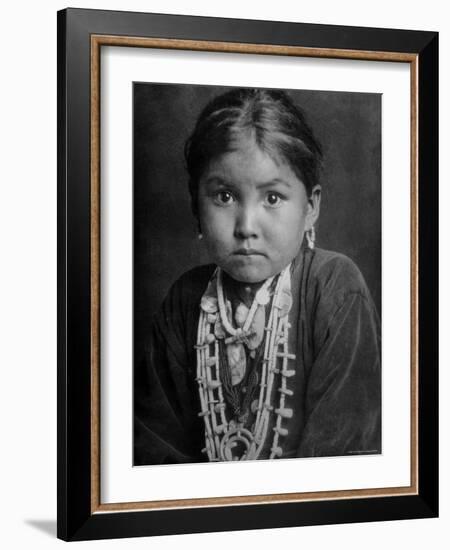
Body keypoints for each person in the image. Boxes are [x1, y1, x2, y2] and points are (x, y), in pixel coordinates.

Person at [134, 88, 381, 465]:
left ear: (310, 207)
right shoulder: (186, 300)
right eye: (225, 196)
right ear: (195, 207)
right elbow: (153, 450)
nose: (246, 227)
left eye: (272, 198)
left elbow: (342, 458)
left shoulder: (334, 289)